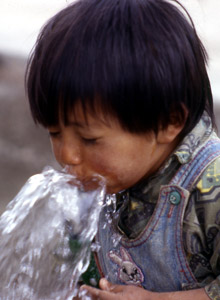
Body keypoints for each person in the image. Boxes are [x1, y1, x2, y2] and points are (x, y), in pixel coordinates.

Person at [25, 0, 220, 299]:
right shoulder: (97, 188)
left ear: (169, 122)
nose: (67, 155)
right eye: (55, 133)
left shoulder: (211, 189)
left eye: (89, 139)